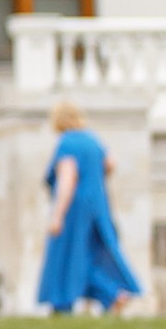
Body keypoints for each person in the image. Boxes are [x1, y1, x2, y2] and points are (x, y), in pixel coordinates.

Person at [37, 108, 142, 313]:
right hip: (98, 206)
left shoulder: (67, 143)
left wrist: (57, 215)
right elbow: (111, 163)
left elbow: (67, 179)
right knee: (92, 255)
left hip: (75, 208)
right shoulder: (93, 140)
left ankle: (69, 301)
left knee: (69, 256)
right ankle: (113, 293)